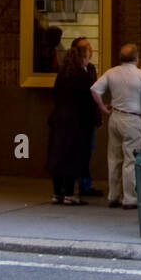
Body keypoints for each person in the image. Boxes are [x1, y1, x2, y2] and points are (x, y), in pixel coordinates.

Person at [91, 43, 141, 209]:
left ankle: (113, 195)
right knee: (131, 159)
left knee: (114, 158)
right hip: (133, 118)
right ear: (136, 58)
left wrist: (102, 107)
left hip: (115, 117)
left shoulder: (111, 72)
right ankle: (130, 198)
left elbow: (95, 90)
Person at [47, 38, 97, 205]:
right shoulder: (82, 75)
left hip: (59, 119)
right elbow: (88, 99)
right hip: (76, 122)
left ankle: (57, 193)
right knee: (73, 156)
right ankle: (69, 194)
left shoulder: (64, 72)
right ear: (85, 55)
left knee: (58, 156)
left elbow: (56, 94)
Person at [67, 38, 102, 198]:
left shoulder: (91, 68)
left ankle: (85, 183)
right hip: (77, 120)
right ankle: (78, 184)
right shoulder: (72, 71)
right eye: (88, 47)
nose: (91, 49)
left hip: (88, 118)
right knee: (78, 152)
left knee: (87, 151)